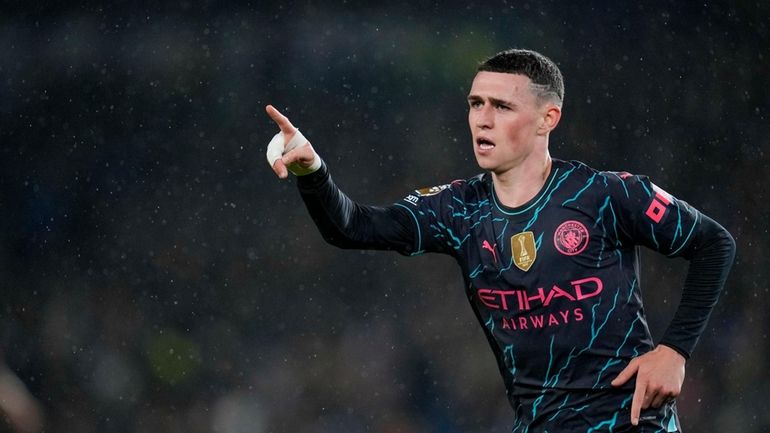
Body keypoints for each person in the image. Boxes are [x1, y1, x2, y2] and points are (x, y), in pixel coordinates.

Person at [264, 49, 736, 432]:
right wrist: (313, 172)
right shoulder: (457, 210)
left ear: (547, 118)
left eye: (501, 106)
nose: (481, 120)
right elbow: (353, 228)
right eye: (475, 104)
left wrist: (674, 351)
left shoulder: (605, 195)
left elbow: (715, 244)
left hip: (630, 423)